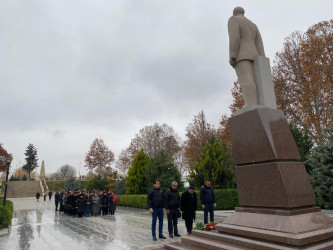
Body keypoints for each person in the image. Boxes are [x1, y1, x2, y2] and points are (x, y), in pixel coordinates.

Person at [228, 6, 265, 107]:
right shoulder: (253, 25)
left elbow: (234, 38)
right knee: (255, 80)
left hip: (242, 54)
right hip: (255, 55)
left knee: (246, 79)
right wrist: (262, 59)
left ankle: (251, 104)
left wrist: (232, 56)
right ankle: (256, 104)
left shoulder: (233, 19)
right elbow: (259, 43)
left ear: (234, 13)